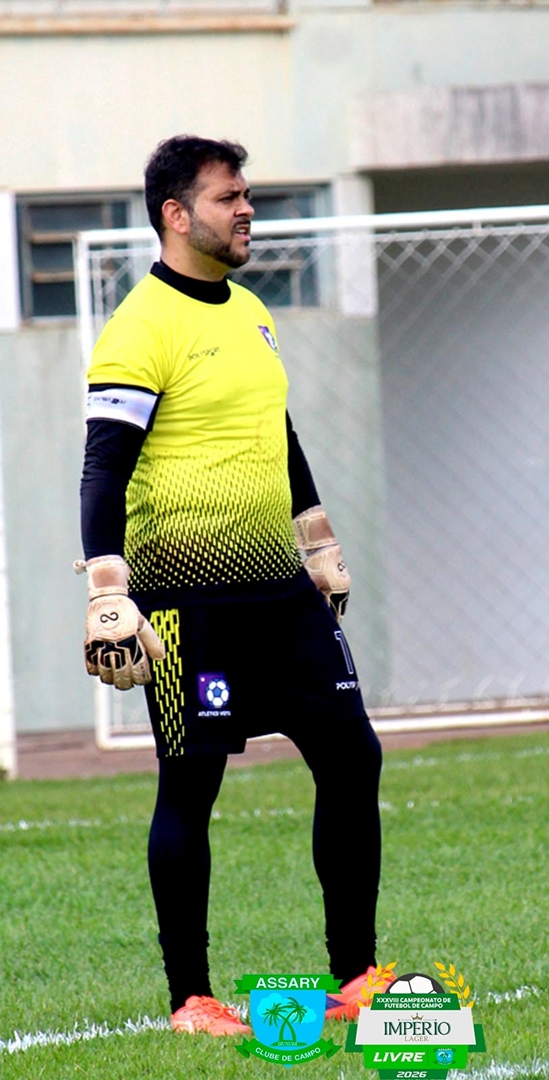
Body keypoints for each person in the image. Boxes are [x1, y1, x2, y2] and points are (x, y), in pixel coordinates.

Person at [77, 134, 392, 1036]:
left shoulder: (251, 310)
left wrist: (315, 534)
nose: (247, 209)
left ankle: (357, 978)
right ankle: (191, 999)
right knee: (191, 786)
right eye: (228, 197)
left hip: (280, 593)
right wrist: (107, 589)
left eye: (246, 194)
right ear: (177, 215)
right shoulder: (139, 327)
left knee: (352, 757)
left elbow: (274, 429)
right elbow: (103, 468)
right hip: (187, 606)